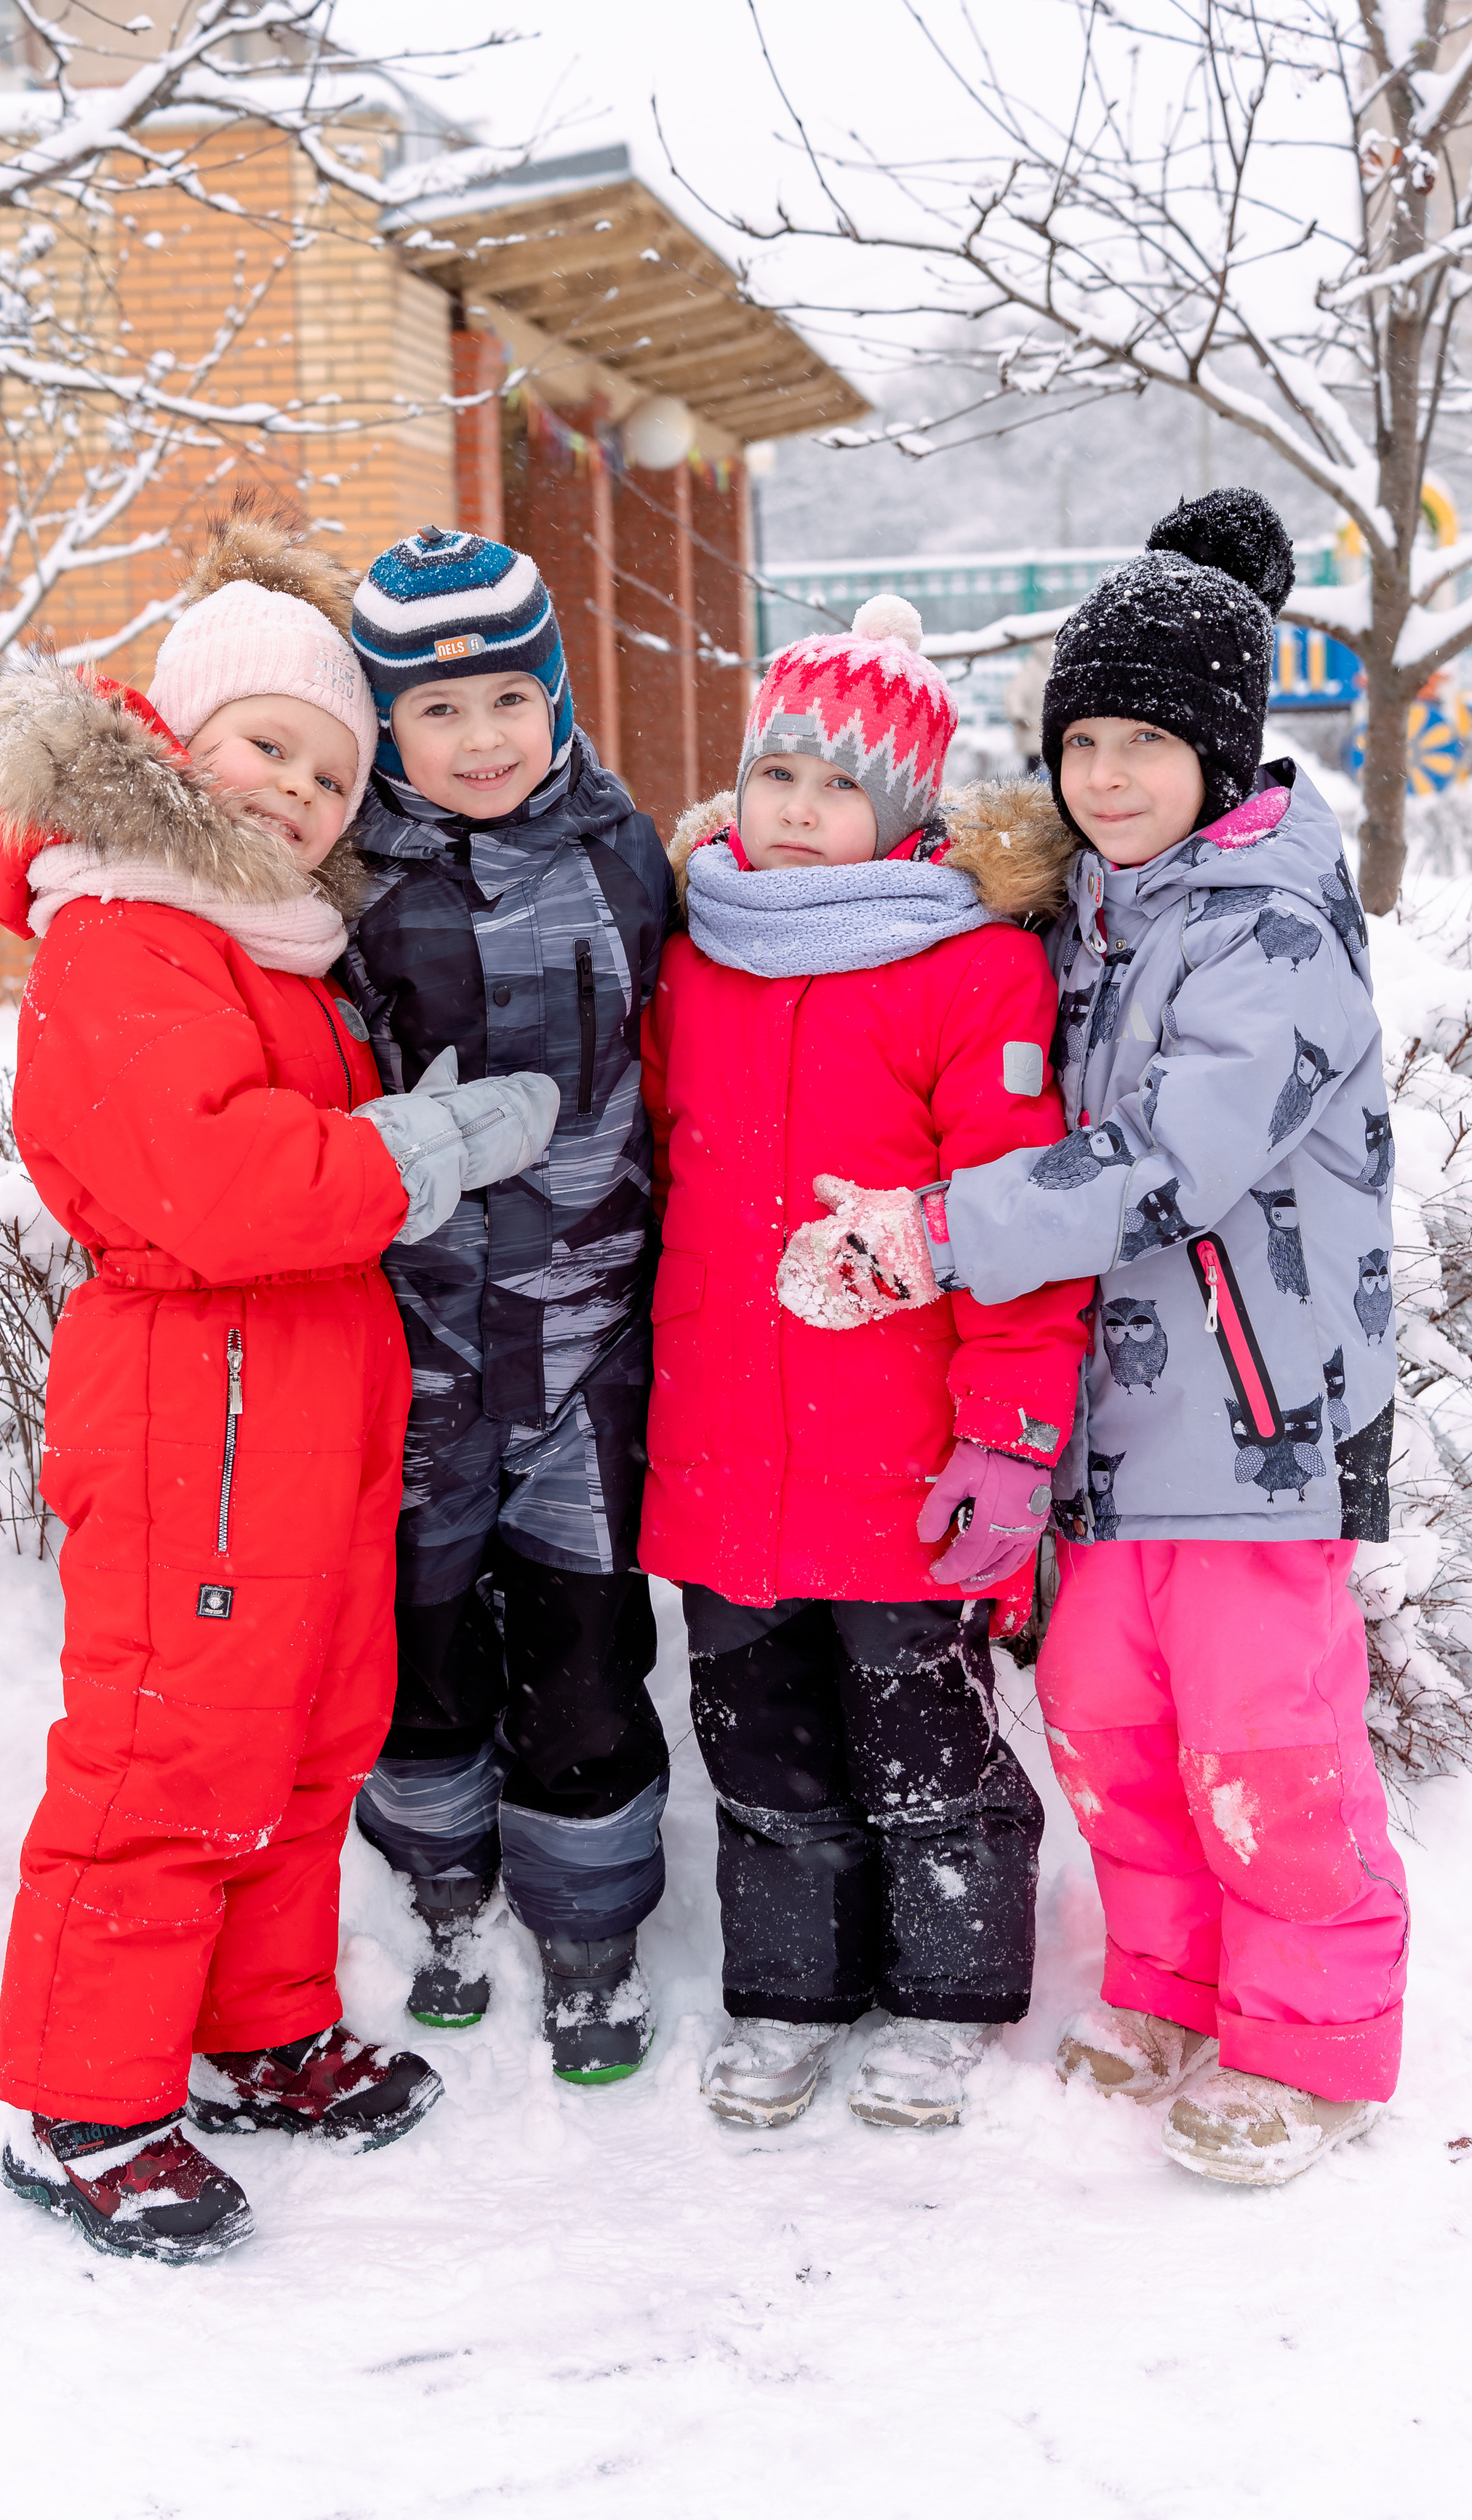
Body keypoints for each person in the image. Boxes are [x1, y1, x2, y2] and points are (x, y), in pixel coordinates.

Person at [793, 491, 1404, 2187]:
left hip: (1256, 1429)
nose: (1108, 777)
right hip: (1108, 1430)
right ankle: (1167, 1980)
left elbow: (1163, 1165)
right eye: (1083, 741)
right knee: (1110, 1731)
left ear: (1221, 751)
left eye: (1147, 740)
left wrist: (935, 1233)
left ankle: (1310, 2039)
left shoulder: (1271, 933)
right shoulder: (1085, 919)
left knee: (1265, 1748)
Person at [0, 514, 557, 2260]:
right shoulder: (128, 932)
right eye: (267, 750)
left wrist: (386, 1137)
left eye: (327, 768)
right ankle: (86, 2107)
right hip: (190, 1411)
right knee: (169, 1757)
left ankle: (254, 2034)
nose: (302, 791)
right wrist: (415, 1149)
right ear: (178, 740)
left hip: (298, 1406)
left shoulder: (267, 939)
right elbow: (207, 1191)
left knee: (301, 1741)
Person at [639, 594, 1095, 2132]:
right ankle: (788, 1995)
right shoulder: (691, 959)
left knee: (925, 1747)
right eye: (777, 775)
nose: (799, 811)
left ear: (901, 809)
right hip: (720, 1450)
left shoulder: (970, 975)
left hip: (897, 1453)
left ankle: (948, 1998)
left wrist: (1011, 1437)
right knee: (758, 1745)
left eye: (840, 785)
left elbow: (1018, 1224)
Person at [339, 526, 676, 2086]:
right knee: (417, 1640)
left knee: (582, 1641)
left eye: (503, 703)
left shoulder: (625, 851)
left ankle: (592, 1932)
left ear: (553, 695)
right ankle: (440, 1896)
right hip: (410, 1349)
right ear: (384, 725)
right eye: (433, 713)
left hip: (591, 1335)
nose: (476, 742)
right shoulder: (348, 886)